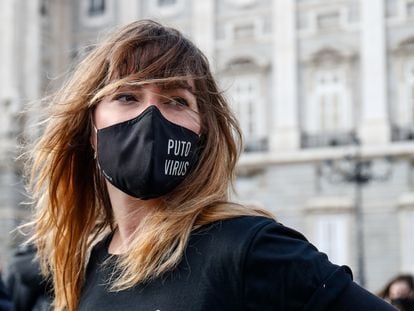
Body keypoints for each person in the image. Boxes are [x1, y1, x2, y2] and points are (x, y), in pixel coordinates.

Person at [23, 19, 396, 311]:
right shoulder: (88, 262)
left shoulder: (247, 249)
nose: (150, 116)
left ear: (204, 130)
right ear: (90, 128)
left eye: (177, 100)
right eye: (127, 96)